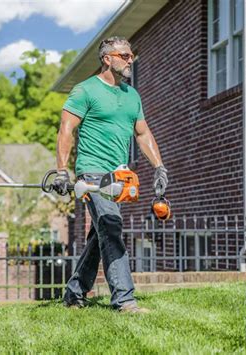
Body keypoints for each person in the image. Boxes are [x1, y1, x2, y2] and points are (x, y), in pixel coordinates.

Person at [53, 36, 168, 314]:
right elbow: (66, 129)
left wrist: (159, 167)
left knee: (101, 230)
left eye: (131, 56)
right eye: (124, 56)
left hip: (119, 174)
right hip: (92, 171)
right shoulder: (86, 90)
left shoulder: (132, 95)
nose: (130, 60)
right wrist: (61, 171)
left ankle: (74, 291)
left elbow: (142, 133)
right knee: (112, 225)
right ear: (107, 58)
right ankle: (124, 299)